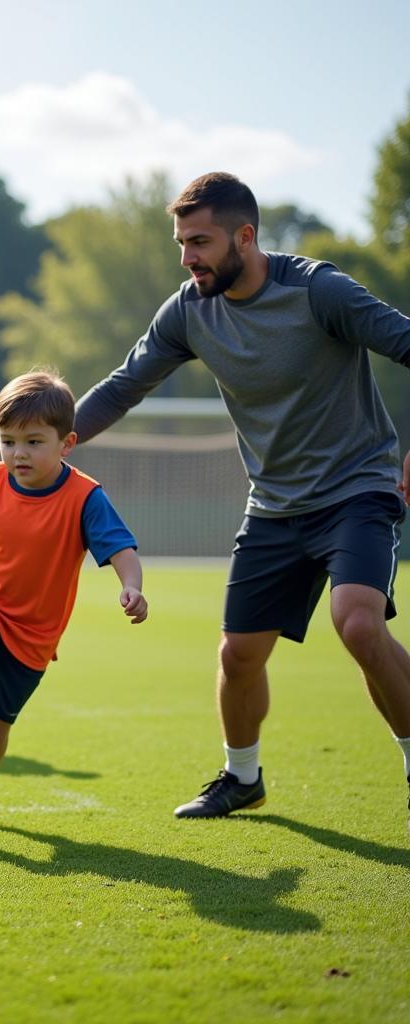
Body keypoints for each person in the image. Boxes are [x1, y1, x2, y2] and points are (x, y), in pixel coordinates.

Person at [72, 171, 410, 821]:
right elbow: (123, 386)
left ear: (245, 237)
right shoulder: (189, 309)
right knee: (239, 653)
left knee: (360, 625)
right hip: (274, 504)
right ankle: (243, 777)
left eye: (199, 242)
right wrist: (57, 441)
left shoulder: (318, 291)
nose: (187, 258)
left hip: (356, 489)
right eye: (181, 243)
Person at [0, 370, 147, 827]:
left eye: (33, 442)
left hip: (34, 627)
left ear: (66, 443)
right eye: (8, 440)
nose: (18, 453)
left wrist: (130, 585)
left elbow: (121, 549)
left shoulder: (86, 497)